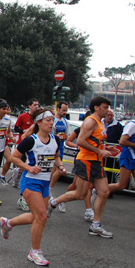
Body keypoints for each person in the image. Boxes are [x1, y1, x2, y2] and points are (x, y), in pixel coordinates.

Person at [0, 108, 66, 266]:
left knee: (37, 217)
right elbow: (14, 158)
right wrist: (28, 168)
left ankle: (8, 223)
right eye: (48, 120)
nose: (51, 123)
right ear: (39, 122)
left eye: (52, 120)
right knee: (42, 216)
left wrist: (61, 166)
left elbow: (56, 157)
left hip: (45, 182)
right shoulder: (31, 140)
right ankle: (34, 252)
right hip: (30, 181)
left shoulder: (55, 139)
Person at [47, 96, 119, 238]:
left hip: (97, 162)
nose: (108, 110)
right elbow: (80, 141)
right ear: (96, 107)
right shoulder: (91, 121)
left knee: (104, 192)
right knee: (80, 194)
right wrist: (99, 151)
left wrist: (108, 148)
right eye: (105, 107)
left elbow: (95, 141)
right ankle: (54, 202)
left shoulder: (100, 123)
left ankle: (95, 225)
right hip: (85, 161)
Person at [49, 101, 70, 212]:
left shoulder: (65, 122)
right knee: (54, 170)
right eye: (63, 110)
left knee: (59, 171)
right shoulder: (52, 120)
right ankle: (49, 192)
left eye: (66, 110)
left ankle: (50, 190)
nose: (65, 112)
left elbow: (67, 136)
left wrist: (62, 137)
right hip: (51, 150)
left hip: (60, 150)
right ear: (58, 109)